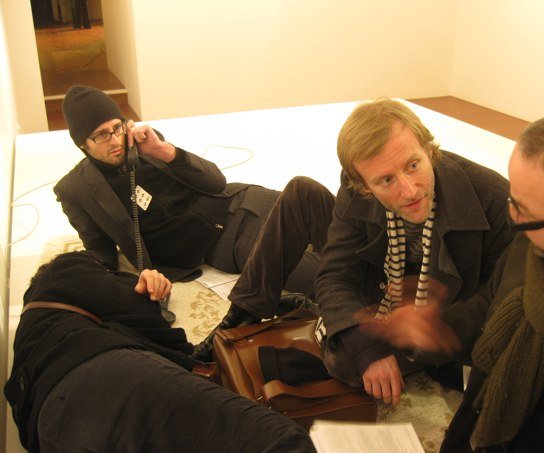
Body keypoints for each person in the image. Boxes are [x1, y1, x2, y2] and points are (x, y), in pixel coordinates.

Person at [198, 99, 513, 392]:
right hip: (377, 279)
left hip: (430, 314)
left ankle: (311, 310)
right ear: (363, 186)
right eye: (386, 180)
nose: (409, 190)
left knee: (345, 361)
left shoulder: (492, 198)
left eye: (413, 165)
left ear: (428, 150)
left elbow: (505, 303)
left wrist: (431, 323)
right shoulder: (357, 185)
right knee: (300, 192)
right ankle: (239, 319)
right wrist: (362, 340)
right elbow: (335, 273)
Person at [362, 108, 544, 451]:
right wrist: (437, 328)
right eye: (512, 200)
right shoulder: (535, 243)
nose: (512, 217)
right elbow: (489, 306)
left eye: (524, 211)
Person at [4, 251, 316, 453]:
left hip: (48, 433)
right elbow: (135, 309)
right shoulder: (66, 267)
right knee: (281, 442)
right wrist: (142, 289)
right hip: (101, 381)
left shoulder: (32, 332)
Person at [54, 85, 318, 321]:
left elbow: (216, 182)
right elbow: (101, 256)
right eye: (101, 135)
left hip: (243, 199)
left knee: (327, 221)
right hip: (226, 239)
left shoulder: (145, 143)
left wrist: (162, 150)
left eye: (117, 127)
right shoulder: (75, 190)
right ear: (82, 145)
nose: (115, 140)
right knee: (317, 275)